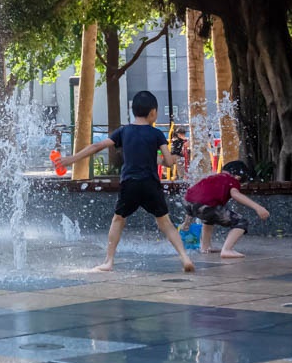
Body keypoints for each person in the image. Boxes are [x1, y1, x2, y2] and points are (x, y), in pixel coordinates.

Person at [57, 91, 194, 273]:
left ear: (133, 111)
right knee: (165, 223)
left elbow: (97, 146)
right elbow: (168, 162)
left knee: (118, 219)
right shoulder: (156, 134)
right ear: (153, 112)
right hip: (151, 184)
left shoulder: (123, 131)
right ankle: (185, 258)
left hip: (130, 183)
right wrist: (167, 160)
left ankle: (108, 261)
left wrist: (72, 159)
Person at [180, 160, 268, 259]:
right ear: (238, 177)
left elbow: (195, 199)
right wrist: (257, 207)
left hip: (187, 202)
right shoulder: (232, 180)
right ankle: (227, 250)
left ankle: (205, 247)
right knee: (241, 222)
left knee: (209, 219)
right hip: (206, 205)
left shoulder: (211, 177)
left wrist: (187, 222)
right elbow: (235, 194)